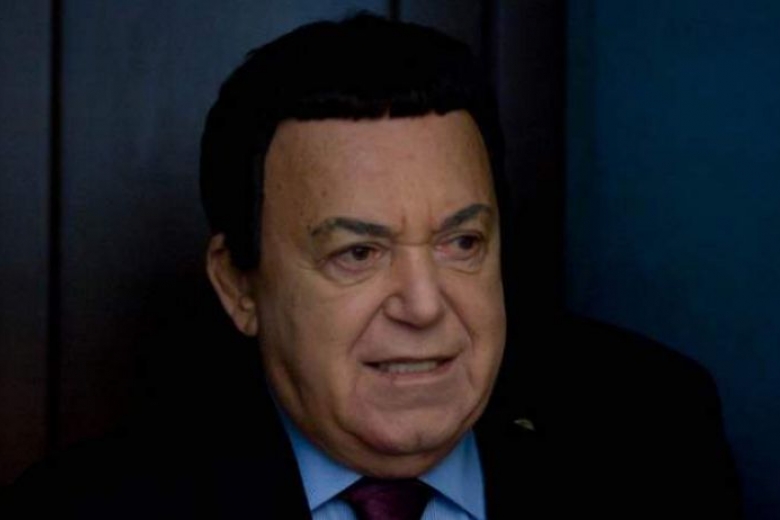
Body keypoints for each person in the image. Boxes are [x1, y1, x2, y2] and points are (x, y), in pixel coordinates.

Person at [5, 14, 741, 520]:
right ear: (238, 284)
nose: (424, 304)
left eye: (461, 243)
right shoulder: (90, 508)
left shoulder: (654, 439)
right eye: (358, 253)